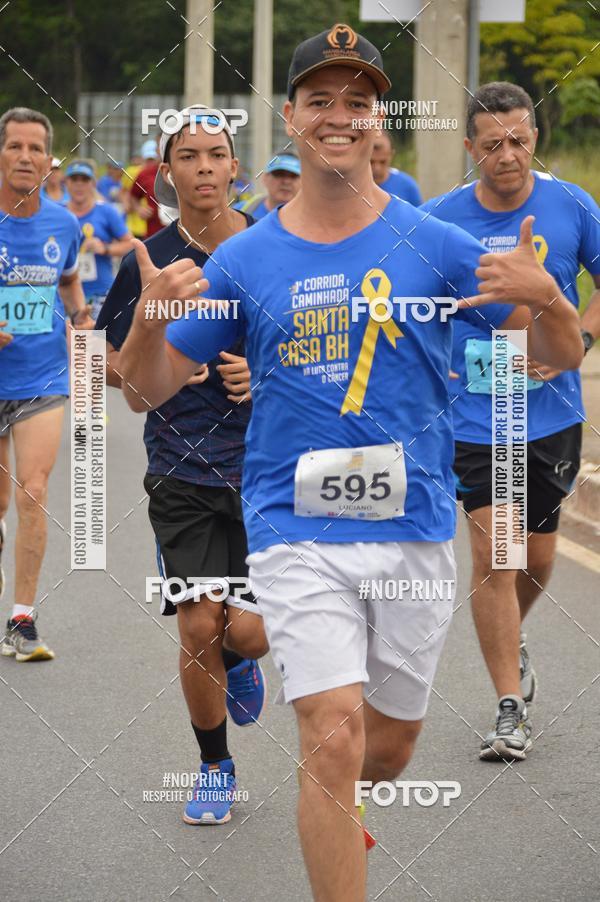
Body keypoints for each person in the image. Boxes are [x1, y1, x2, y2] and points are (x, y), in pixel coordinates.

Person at [118, 26, 583, 900]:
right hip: (294, 530)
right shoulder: (246, 260)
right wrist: (146, 322)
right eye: (320, 100)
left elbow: (551, 352)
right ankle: (327, 809)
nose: (339, 116)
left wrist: (549, 296)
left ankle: (331, 803)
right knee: (331, 736)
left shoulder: (435, 245)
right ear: (290, 116)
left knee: (388, 750)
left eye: (358, 101)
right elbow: (146, 389)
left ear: (378, 122)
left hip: (410, 530)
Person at [96, 105, 268, 826]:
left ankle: (244, 655)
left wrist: (259, 374)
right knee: (198, 624)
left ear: (236, 167)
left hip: (270, 470)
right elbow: (102, 366)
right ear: (167, 173)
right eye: (188, 156)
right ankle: (214, 767)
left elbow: (321, 355)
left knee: (245, 632)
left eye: (217, 153)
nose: (204, 167)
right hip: (182, 470)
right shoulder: (150, 259)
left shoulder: (275, 250)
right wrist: (152, 350)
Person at [420, 81, 600, 762]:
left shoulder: (572, 205)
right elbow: (408, 306)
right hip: (473, 415)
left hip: (552, 412)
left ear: (535, 138)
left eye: (519, 139)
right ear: (471, 148)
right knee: (497, 554)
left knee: (538, 558)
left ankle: (509, 636)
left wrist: (576, 342)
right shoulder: (438, 220)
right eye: (492, 143)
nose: (508, 153)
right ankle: (507, 707)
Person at [0, 107, 93, 662]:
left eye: (36, 148)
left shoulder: (64, 224)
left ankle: (23, 619)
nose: (26, 157)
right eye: (15, 146)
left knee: (33, 491)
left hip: (43, 376)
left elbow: (68, 280)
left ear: (48, 159)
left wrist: (82, 321)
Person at [65, 159, 132, 319]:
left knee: (92, 344)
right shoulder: (57, 213)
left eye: (85, 180)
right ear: (66, 183)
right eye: (74, 179)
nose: (79, 185)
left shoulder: (106, 211)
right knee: (65, 344)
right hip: (65, 296)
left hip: (99, 295)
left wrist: (105, 248)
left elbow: (131, 244)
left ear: (93, 183)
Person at [235, 150, 300, 218]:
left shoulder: (310, 218)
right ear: (265, 178)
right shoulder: (242, 211)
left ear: (302, 182)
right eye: (279, 174)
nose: (286, 181)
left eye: (293, 176)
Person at [370, 131, 421, 205]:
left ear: (391, 155)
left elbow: (419, 216)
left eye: (383, 162)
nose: (377, 168)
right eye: (371, 162)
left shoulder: (407, 186)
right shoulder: (351, 186)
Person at [128, 138, 162, 237]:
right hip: (153, 235)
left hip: (185, 237)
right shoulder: (144, 174)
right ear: (157, 150)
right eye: (161, 146)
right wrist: (139, 209)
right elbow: (131, 194)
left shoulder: (186, 172)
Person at [121, 151, 147, 240]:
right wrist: (127, 204)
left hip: (152, 226)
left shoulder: (159, 170)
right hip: (135, 225)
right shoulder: (131, 171)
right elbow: (124, 191)